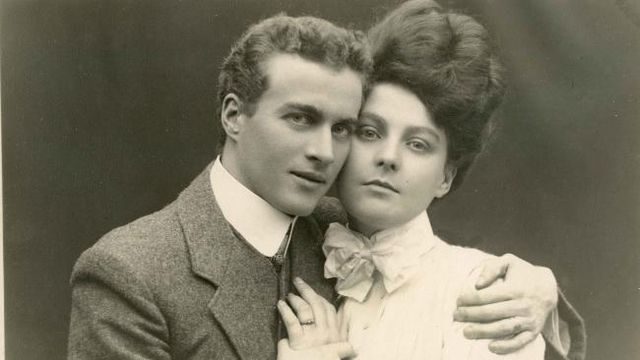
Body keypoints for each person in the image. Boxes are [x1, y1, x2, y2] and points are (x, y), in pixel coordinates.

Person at [67, 9, 582, 360]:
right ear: (233, 114)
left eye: (342, 128)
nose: (323, 151)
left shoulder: (342, 234)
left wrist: (544, 292)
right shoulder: (130, 272)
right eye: (299, 118)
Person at [276, 1, 585, 359]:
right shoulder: (292, 243)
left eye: (418, 144)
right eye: (370, 132)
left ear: (445, 177)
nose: (388, 157)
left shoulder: (481, 292)